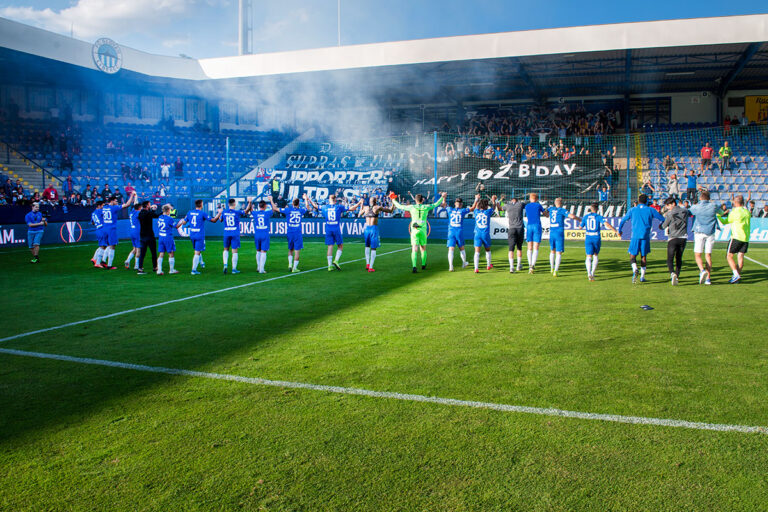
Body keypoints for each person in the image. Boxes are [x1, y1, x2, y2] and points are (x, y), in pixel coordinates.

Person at [391, 192, 446, 273]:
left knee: (414, 248)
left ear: (415, 200)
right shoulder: (426, 207)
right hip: (423, 230)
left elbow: (400, 206)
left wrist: (393, 200)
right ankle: (423, 265)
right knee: (423, 248)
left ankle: (414, 266)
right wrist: (442, 197)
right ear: (422, 200)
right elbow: (436, 204)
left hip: (414, 230)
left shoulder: (411, 207)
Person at [307, 194, 361, 271]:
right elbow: (351, 209)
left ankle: (329, 266)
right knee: (340, 246)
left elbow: (315, 206)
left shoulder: (325, 207)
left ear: (329, 200)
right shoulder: (339, 207)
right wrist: (359, 203)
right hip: (336, 228)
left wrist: (308, 198)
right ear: (335, 200)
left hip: (328, 228)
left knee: (330, 246)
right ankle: (336, 260)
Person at [618, 194, 665, 283]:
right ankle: (642, 277)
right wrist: (661, 226)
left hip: (635, 236)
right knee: (643, 257)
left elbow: (623, 220)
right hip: (645, 236)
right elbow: (662, 219)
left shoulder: (632, 210)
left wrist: (620, 230)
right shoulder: (651, 209)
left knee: (632, 255)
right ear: (647, 201)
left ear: (638, 201)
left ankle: (635, 269)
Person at [573, 202, 619, 280]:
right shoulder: (598, 217)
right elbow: (607, 224)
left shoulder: (586, 217)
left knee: (588, 256)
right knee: (595, 255)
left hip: (588, 237)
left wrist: (579, 225)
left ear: (590, 209)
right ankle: (593, 273)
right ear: (597, 209)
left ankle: (589, 273)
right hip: (596, 237)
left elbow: (580, 227)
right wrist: (615, 231)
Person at [176, 199, 222, 275]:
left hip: (192, 234)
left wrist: (185, 218)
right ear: (201, 204)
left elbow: (183, 222)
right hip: (199, 235)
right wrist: (219, 213)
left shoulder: (190, 212)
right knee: (197, 252)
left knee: (196, 250)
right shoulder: (202, 213)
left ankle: (201, 263)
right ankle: (193, 270)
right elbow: (213, 220)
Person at [717, 195, 751, 284]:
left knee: (729, 256)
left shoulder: (735, 212)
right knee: (740, 257)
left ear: (735, 203)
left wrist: (718, 216)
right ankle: (737, 276)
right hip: (745, 237)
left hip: (736, 237)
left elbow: (725, 222)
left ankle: (736, 274)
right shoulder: (747, 212)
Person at [688, 190, 719, 285]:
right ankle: (708, 278)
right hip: (710, 232)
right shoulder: (714, 206)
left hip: (699, 231)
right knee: (708, 255)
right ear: (709, 198)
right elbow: (722, 212)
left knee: (698, 254)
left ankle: (702, 271)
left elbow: (688, 213)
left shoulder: (696, 207)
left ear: (700, 198)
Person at [101, 192, 137, 269]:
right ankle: (109, 265)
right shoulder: (114, 207)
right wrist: (131, 195)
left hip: (105, 228)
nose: (117, 202)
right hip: (111, 228)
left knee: (107, 245)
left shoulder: (104, 207)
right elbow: (127, 205)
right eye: (116, 201)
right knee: (112, 246)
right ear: (112, 201)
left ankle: (103, 260)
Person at [359, 196, 395, 272]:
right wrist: (393, 202)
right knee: (373, 247)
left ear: (369, 201)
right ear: (376, 201)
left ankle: (367, 264)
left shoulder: (366, 208)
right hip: (373, 229)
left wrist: (361, 204)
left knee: (367, 246)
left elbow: (359, 214)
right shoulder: (378, 207)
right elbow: (390, 211)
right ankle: (371, 267)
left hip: (367, 229)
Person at [661, 197, 688, 286]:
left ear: (673, 204)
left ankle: (672, 273)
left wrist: (660, 226)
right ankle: (677, 275)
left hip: (673, 237)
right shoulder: (685, 211)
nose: (668, 207)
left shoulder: (670, 214)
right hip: (683, 238)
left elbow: (664, 226)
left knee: (670, 258)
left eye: (668, 205)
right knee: (679, 258)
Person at [221, 198, 251, 275]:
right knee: (234, 251)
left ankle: (225, 265)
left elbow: (220, 220)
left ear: (228, 204)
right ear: (234, 204)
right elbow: (246, 211)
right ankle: (234, 269)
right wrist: (250, 202)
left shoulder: (224, 212)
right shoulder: (237, 212)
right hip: (235, 233)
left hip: (226, 232)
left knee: (226, 249)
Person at [547, 197, 576, 277]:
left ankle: (551, 268)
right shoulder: (562, 210)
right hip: (559, 232)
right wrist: (579, 219)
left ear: (555, 203)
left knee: (552, 250)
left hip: (552, 232)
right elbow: (572, 216)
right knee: (559, 252)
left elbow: (546, 213)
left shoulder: (551, 209)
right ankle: (555, 271)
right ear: (562, 203)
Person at [280, 195, 310, 273]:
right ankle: (294, 268)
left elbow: (277, 209)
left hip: (289, 232)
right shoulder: (300, 210)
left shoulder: (288, 210)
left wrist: (271, 201)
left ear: (292, 203)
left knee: (290, 249)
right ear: (298, 204)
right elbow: (307, 208)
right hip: (297, 233)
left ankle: (290, 264)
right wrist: (306, 199)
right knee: (297, 251)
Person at [470, 195, 497, 273]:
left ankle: (476, 268)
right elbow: (494, 207)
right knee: (487, 250)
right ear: (486, 206)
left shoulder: (476, 211)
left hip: (477, 234)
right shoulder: (488, 212)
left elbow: (474, 207)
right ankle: (488, 265)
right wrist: (493, 201)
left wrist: (476, 199)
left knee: (477, 252)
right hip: (485, 234)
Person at [252, 198, 278, 274]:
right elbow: (274, 208)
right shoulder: (267, 213)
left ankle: (258, 266)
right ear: (265, 206)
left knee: (258, 251)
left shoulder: (255, 213)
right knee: (264, 251)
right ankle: (261, 269)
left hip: (257, 234)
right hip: (264, 234)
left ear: (259, 206)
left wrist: (250, 202)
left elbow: (250, 210)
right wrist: (271, 200)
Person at [445, 197, 470, 271]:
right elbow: (472, 208)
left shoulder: (450, 209)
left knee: (451, 249)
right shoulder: (462, 211)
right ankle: (464, 263)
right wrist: (476, 200)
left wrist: (443, 197)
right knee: (461, 248)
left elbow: (444, 205)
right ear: (461, 204)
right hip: (459, 231)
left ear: (455, 203)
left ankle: (451, 266)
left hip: (451, 232)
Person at [136, 201, 161, 275]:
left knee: (142, 253)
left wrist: (152, 210)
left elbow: (149, 214)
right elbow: (156, 215)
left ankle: (140, 268)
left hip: (142, 235)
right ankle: (155, 267)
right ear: (147, 206)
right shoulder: (149, 213)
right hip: (150, 235)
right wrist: (163, 211)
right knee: (153, 252)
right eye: (149, 205)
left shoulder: (140, 213)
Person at [524, 192, 546, 273]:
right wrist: (547, 211)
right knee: (536, 246)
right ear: (536, 199)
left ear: (530, 198)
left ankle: (530, 265)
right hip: (537, 225)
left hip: (529, 226)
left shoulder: (527, 206)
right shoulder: (538, 205)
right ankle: (533, 265)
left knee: (529, 246)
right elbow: (545, 214)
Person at [502, 196, 524, 273]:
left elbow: (500, 208)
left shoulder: (507, 205)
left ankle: (511, 267)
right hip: (519, 228)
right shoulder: (520, 204)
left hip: (511, 228)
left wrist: (496, 201)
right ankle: (518, 265)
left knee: (511, 249)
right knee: (519, 248)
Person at [156, 204, 179, 275]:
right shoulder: (169, 219)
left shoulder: (160, 217)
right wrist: (182, 221)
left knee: (161, 253)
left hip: (161, 237)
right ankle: (171, 270)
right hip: (168, 237)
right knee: (171, 252)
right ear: (168, 210)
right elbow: (176, 226)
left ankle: (159, 270)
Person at [90, 201, 108, 268]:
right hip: (102, 229)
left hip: (98, 229)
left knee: (102, 245)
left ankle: (94, 258)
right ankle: (98, 263)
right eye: (102, 205)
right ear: (99, 206)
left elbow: (92, 222)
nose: (103, 207)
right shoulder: (100, 211)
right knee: (103, 246)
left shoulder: (93, 213)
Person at [124, 204, 142, 270]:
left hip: (132, 231)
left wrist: (135, 197)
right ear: (139, 208)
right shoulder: (138, 213)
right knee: (139, 249)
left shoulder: (132, 212)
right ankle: (136, 265)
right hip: (137, 232)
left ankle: (127, 260)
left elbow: (135, 205)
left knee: (134, 248)